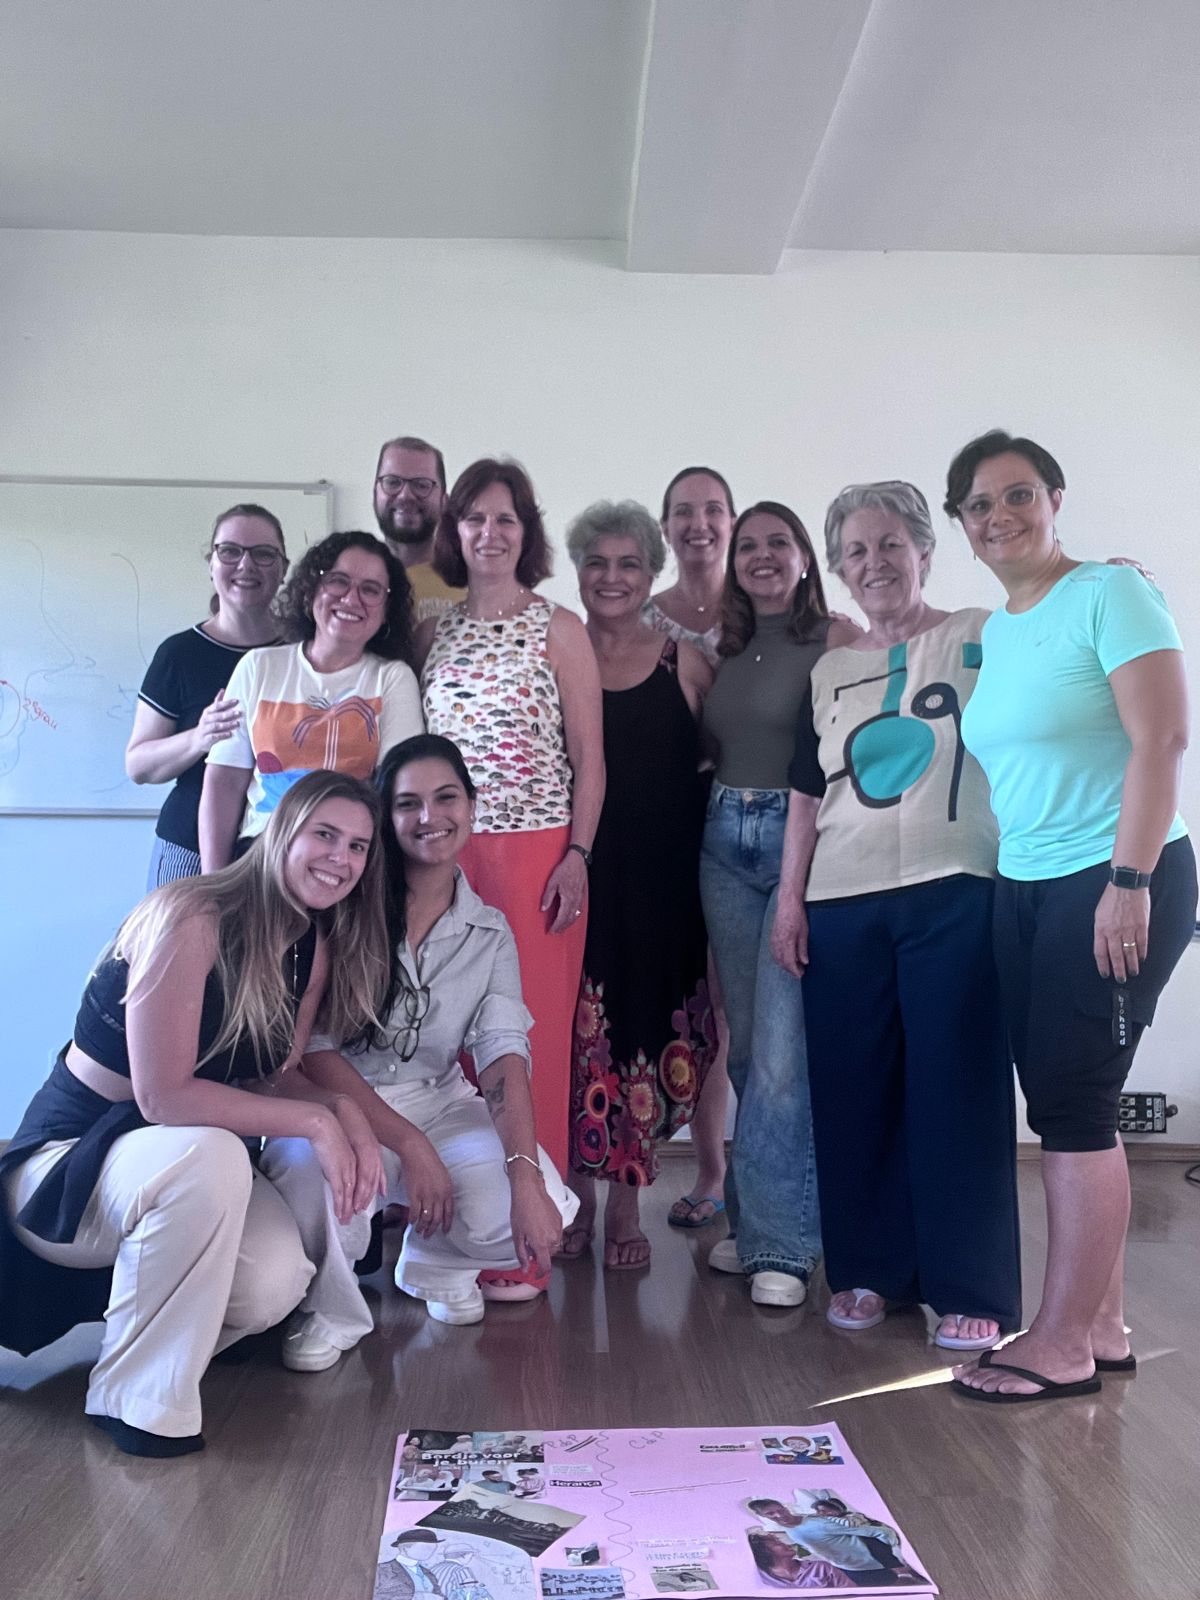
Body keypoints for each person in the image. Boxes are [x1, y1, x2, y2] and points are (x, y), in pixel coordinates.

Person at [0, 771, 392, 1457]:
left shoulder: (310, 946)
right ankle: (134, 1398)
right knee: (209, 1151)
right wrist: (318, 1124)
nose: (342, 858)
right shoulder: (192, 915)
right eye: (325, 834)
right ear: (279, 833)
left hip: (172, 1167)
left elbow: (274, 1075)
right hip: (67, 1167)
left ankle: (161, 1334)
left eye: (358, 846)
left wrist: (340, 1109)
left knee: (273, 1283)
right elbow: (165, 1098)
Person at [944, 431, 1195, 1402]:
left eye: (1018, 494)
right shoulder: (1005, 626)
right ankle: (1101, 1325)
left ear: (1055, 498)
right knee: (1066, 1099)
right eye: (978, 504)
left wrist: (1129, 881)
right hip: (1027, 882)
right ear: (962, 523)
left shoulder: (1110, 593)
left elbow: (1163, 738)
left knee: (1073, 1106)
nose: (998, 515)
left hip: (1113, 875)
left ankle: (1058, 1343)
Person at [772, 480, 1022, 1351]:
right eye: (855, 551)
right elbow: (807, 795)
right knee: (854, 1089)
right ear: (839, 571)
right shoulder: (828, 672)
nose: (873, 563)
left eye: (889, 545)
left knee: (958, 1087)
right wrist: (789, 900)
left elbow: (1063, 649)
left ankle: (970, 1285)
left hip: (958, 887)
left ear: (924, 551)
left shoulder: (982, 635)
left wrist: (1120, 582)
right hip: (841, 901)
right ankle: (871, 1270)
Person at [260, 735, 577, 1356]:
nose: (430, 817)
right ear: (386, 815)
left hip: (439, 1100)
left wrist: (524, 1178)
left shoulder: (489, 932)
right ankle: (333, 1309)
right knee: (309, 1176)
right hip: (335, 1099)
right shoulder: (342, 904)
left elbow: (502, 1058)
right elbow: (314, 1050)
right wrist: (410, 1143)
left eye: (446, 798)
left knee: (539, 1203)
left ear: (472, 806)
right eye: (408, 803)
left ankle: (435, 1261)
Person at [417, 459, 604, 1172]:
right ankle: (459, 1212)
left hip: (537, 862)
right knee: (444, 1035)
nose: (489, 532)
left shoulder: (560, 628)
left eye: (506, 518)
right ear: (454, 531)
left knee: (529, 1037)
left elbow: (590, 759)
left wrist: (578, 856)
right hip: (445, 861)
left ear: (527, 533)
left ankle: (535, 1210)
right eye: (475, 518)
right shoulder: (432, 635)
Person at [700, 501, 856, 1306]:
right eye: (748, 546)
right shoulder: (723, 647)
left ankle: (786, 1247)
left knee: (784, 1056)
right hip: (723, 842)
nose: (762, 556)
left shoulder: (839, 638)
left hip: (801, 845)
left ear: (804, 557)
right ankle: (754, 1219)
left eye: (778, 543)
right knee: (746, 1049)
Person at [562, 500, 715, 1268]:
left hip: (664, 888)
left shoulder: (683, 663)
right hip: (574, 877)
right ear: (577, 571)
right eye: (597, 562)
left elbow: (723, 769)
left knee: (645, 1037)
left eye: (628, 563)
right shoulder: (556, 651)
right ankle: (575, 1203)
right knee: (574, 1039)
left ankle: (626, 1206)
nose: (612, 577)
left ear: (652, 574)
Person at [200, 530, 423, 869]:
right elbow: (224, 783)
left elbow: (397, 789)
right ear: (311, 589)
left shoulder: (393, 678)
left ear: (386, 610)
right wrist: (214, 882)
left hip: (346, 862)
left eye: (370, 589)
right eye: (338, 581)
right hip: (262, 858)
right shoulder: (258, 666)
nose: (351, 598)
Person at [644, 466, 736, 1233]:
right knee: (688, 1002)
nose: (698, 523)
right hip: (664, 829)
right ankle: (650, 1162)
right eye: (683, 511)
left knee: (735, 1006)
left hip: (752, 826)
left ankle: (721, 1170)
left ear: (731, 520)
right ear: (665, 525)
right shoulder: (640, 617)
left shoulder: (765, 609)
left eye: (712, 509)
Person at [127, 503, 287, 887]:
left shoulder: (304, 651)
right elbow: (138, 765)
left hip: (280, 852)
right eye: (230, 551)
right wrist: (199, 737)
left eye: (263, 554)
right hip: (189, 848)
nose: (246, 565)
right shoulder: (179, 653)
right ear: (211, 564)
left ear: (283, 568)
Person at [373, 434, 466, 621]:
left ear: (444, 501)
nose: (405, 495)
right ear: (375, 494)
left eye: (421, 485)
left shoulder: (469, 582)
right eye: (392, 482)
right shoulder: (353, 580)